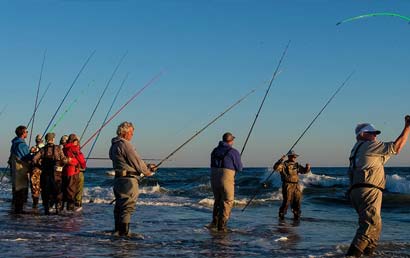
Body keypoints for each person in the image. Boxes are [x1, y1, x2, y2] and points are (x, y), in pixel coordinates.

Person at [346, 116, 410, 257]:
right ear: (362, 135)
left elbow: (386, 155)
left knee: (376, 225)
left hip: (357, 191)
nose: (375, 135)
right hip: (369, 190)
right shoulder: (369, 146)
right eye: (372, 133)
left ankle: (369, 254)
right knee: (369, 226)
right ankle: (352, 255)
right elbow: (396, 147)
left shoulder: (356, 149)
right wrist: (407, 127)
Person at [109, 122, 157, 236]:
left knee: (119, 206)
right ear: (125, 133)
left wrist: (146, 166)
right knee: (127, 207)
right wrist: (148, 171)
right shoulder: (126, 145)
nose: (132, 135)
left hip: (118, 180)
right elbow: (136, 162)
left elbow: (128, 161)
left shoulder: (114, 145)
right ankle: (124, 235)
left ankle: (118, 231)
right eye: (131, 132)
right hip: (129, 181)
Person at [209, 132, 243, 232]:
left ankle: (214, 222)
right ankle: (222, 225)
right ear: (231, 141)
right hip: (226, 177)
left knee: (218, 200)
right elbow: (239, 168)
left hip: (214, 177)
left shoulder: (214, 151)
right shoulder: (233, 152)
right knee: (227, 201)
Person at [33, 132, 68, 215]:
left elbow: (34, 159)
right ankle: (57, 209)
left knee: (45, 192)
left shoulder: (42, 149)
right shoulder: (58, 148)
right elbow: (64, 160)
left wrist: (40, 166)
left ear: (46, 140)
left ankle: (46, 209)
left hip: (45, 174)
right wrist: (63, 164)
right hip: (56, 175)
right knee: (57, 191)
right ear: (53, 139)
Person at [273, 150, 311, 220]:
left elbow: (303, 171)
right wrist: (280, 160)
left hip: (296, 185)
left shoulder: (296, 164)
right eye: (293, 156)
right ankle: (282, 216)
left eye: (295, 156)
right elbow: (275, 168)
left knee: (297, 200)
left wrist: (307, 168)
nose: (294, 157)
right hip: (287, 184)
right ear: (289, 156)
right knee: (287, 200)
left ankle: (296, 215)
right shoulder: (284, 164)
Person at [8, 125, 31, 213]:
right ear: (23, 133)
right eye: (26, 132)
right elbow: (27, 157)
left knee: (17, 190)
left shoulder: (15, 143)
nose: (27, 133)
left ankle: (17, 210)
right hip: (20, 170)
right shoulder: (21, 144)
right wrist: (33, 153)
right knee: (20, 190)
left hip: (15, 170)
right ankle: (19, 211)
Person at [62, 134, 86, 211]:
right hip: (73, 171)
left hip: (65, 171)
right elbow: (81, 159)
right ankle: (71, 208)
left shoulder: (64, 148)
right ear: (74, 141)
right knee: (72, 189)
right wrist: (83, 166)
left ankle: (65, 207)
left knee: (67, 188)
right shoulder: (74, 148)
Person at [29, 134, 45, 209]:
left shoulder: (35, 148)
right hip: (44, 171)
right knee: (43, 188)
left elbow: (31, 159)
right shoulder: (45, 148)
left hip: (36, 170)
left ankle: (35, 204)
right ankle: (45, 205)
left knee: (35, 188)